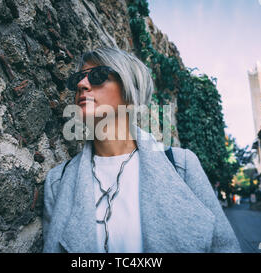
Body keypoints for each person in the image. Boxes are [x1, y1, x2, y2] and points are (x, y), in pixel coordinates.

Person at [42, 47, 240, 253]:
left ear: (130, 90)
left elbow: (225, 247)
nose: (82, 85)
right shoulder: (58, 181)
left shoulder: (181, 165)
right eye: (78, 79)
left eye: (97, 76)